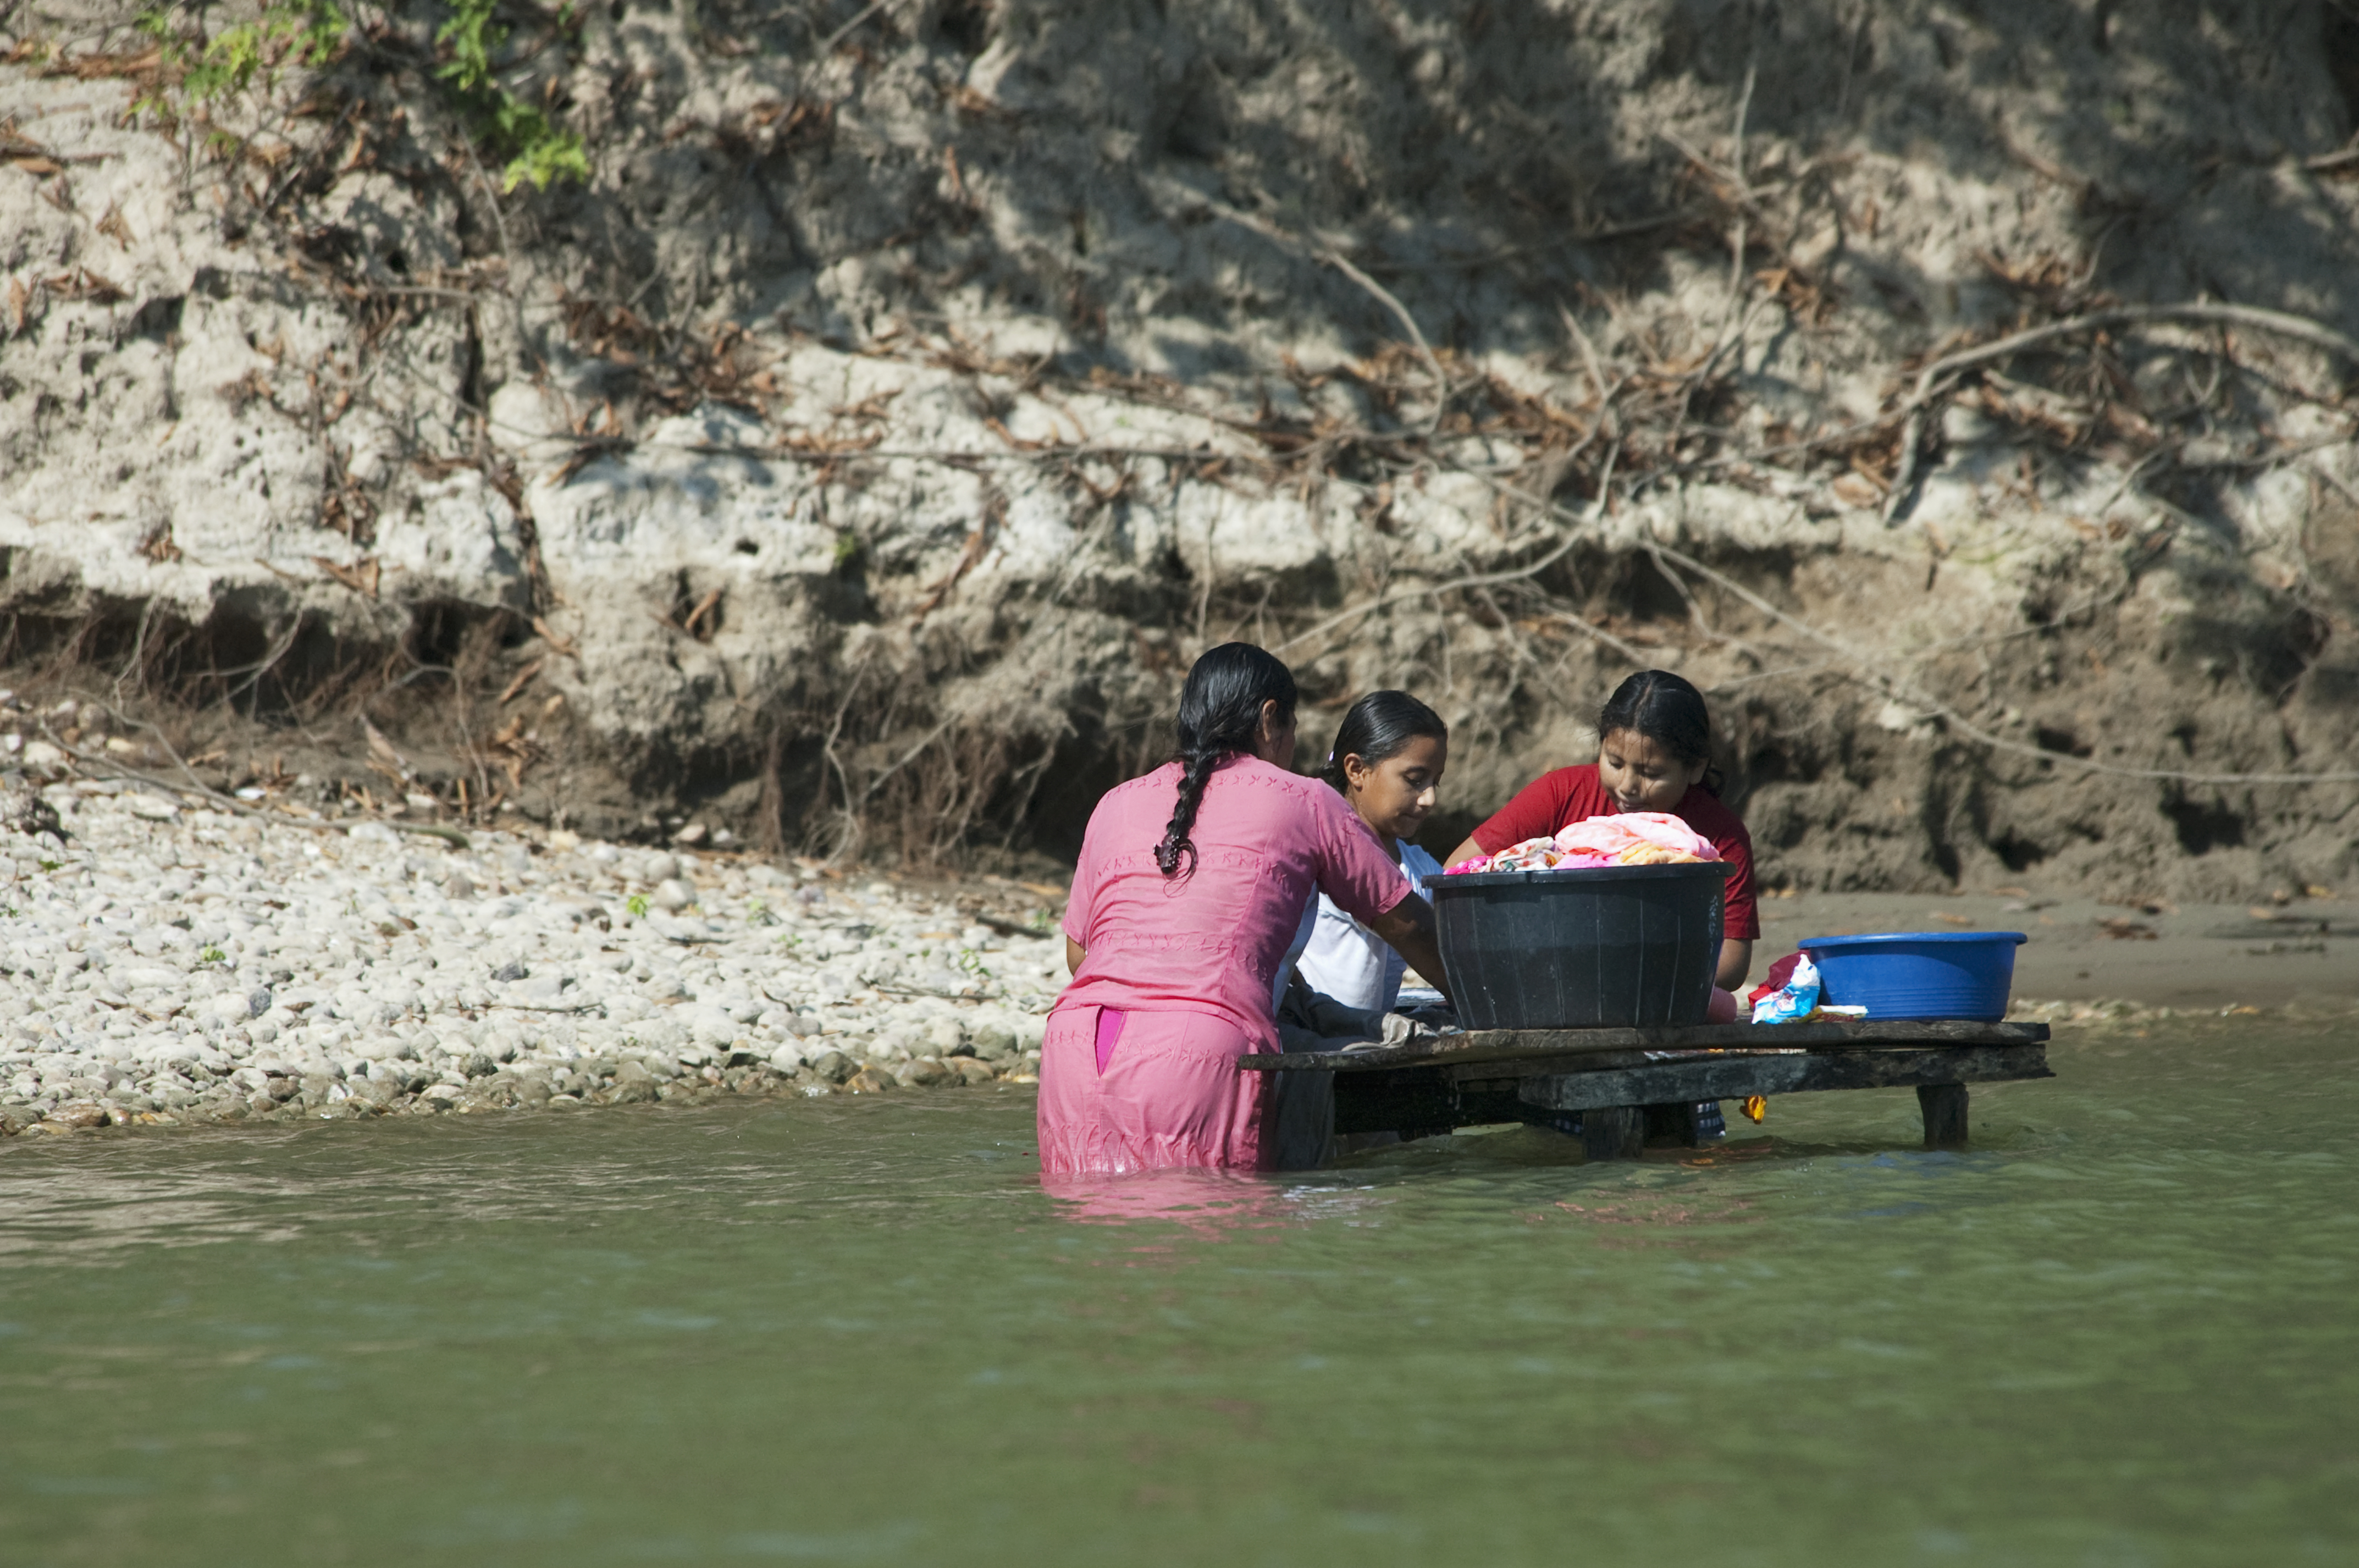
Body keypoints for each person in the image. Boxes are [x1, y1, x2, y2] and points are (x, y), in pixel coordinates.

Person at [1042, 644, 1452, 1175]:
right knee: (1212, 1239)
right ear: (1268, 719)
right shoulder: (1304, 798)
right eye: (1294, 725)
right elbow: (1408, 925)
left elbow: (1080, 955)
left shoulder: (1114, 802)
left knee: (1094, 1236)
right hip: (1199, 1056)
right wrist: (1489, 1002)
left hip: (1075, 1050)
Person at [1445, 669, 1758, 992]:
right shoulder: (1559, 794)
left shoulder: (1718, 837)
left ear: (1695, 768)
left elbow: (1731, 966)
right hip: (1547, 978)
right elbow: (1453, 875)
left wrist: (1624, 974)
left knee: (1720, 1006)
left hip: (1656, 990)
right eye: (1615, 763)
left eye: (1650, 773)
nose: (1627, 787)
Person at [1295, 691, 1449, 1015]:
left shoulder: (1419, 867)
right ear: (1356, 769)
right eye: (1415, 780)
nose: (1429, 799)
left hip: (1369, 1048)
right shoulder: (1315, 857)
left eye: (1436, 782)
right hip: (1311, 1038)